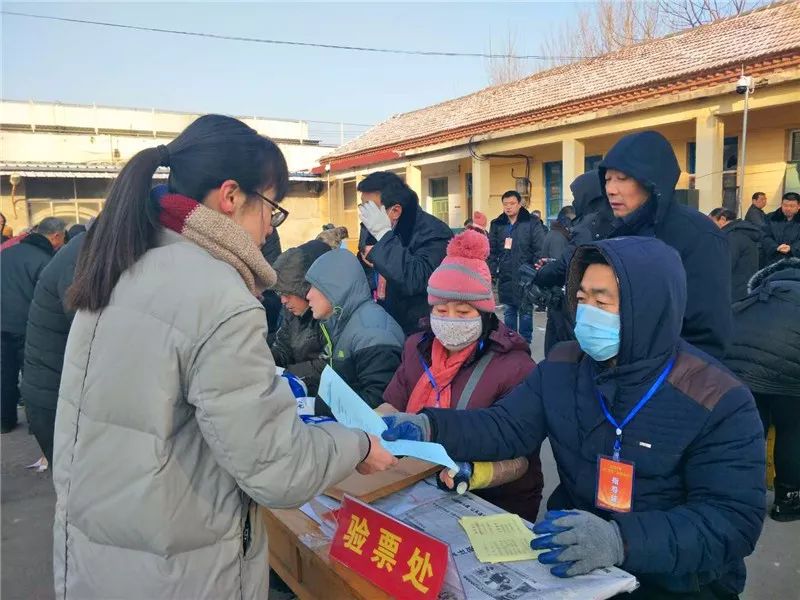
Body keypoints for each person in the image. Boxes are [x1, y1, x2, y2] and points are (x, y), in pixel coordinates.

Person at [51, 115, 396, 600]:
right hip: (182, 573)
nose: (267, 230)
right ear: (231, 197)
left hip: (97, 557)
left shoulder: (120, 264)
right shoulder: (218, 295)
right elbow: (279, 468)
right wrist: (357, 444)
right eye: (271, 210)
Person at [384, 236, 765, 599]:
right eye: (581, 299)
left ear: (647, 307)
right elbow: (504, 426)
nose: (586, 313)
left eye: (603, 301)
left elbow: (731, 520)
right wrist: (429, 426)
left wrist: (621, 541)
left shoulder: (716, 397)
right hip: (574, 563)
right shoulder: (564, 367)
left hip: (677, 583)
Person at [381, 230, 542, 520]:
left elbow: (521, 460)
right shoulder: (416, 349)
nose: (450, 320)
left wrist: (473, 473)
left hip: (492, 505)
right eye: (441, 309)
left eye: (464, 312)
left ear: (484, 314)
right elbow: (393, 403)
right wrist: (370, 428)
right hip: (417, 485)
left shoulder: (515, 366)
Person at [538, 132, 732, 359]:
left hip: (666, 379)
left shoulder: (698, 236)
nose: (610, 189)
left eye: (622, 178)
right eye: (608, 179)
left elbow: (708, 334)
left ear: (651, 181)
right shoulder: (617, 231)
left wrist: (670, 384)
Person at [726, 257, 800, 522]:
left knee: (751, 433)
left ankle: (745, 500)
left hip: (744, 373)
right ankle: (787, 501)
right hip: (792, 378)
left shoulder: (758, 296)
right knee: (793, 432)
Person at [305, 248, 405, 408]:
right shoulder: (344, 322)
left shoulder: (372, 331)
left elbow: (379, 403)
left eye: (314, 287)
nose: (308, 295)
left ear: (335, 288)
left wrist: (317, 407)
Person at [21, 228, 88, 463]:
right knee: (79, 488)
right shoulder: (86, 256)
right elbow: (94, 329)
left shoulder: (82, 250)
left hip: (54, 392)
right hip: (57, 400)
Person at [358, 171, 453, 335]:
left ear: (395, 211)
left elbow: (416, 279)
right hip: (381, 320)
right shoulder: (371, 226)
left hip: (418, 328)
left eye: (370, 207)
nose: (364, 213)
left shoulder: (435, 233)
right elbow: (365, 267)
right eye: (362, 206)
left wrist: (383, 237)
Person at [1, 216, 66, 433]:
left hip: (2, 324)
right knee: (32, 378)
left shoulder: (6, 253)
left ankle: (4, 421)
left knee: (3, 375)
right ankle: (35, 425)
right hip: (27, 326)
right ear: (56, 236)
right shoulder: (45, 260)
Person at [270, 239, 331, 399]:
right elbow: (282, 348)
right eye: (279, 294)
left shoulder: (327, 314)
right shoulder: (291, 313)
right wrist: (265, 362)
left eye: (287, 294)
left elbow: (327, 365)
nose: (283, 301)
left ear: (304, 289)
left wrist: (287, 374)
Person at [488, 191, 545, 343]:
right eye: (505, 204)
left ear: (519, 204)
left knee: (525, 311)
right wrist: (493, 270)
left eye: (512, 204)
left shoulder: (532, 223)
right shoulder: (497, 224)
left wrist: (534, 270)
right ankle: (510, 342)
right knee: (508, 310)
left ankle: (525, 342)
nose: (508, 207)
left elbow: (539, 249)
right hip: (505, 274)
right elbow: (492, 250)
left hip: (525, 275)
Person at [709, 207, 761, 301]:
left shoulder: (731, 237)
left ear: (722, 219)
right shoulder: (742, 232)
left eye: (711, 222)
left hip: (735, 291)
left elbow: (725, 264)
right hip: (746, 287)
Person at [762, 192, 800, 266]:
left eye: (792, 206)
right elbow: (764, 236)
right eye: (785, 205)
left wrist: (792, 248)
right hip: (773, 261)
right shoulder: (771, 217)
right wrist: (776, 247)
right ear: (781, 204)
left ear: (798, 206)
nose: (788, 208)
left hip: (796, 261)